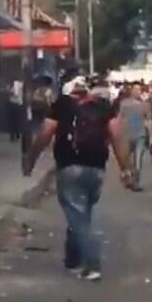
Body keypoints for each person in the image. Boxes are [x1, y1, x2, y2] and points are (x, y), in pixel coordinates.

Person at [24, 76, 133, 282]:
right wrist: (125, 169)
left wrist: (31, 158)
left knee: (78, 216)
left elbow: (45, 134)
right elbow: (117, 136)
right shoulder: (103, 107)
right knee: (82, 213)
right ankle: (72, 258)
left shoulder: (62, 105)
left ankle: (92, 264)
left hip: (70, 167)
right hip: (97, 169)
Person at [119, 83, 152, 192]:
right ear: (131, 91)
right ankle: (128, 179)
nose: (137, 91)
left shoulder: (144, 105)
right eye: (135, 89)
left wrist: (151, 138)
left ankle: (136, 182)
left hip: (140, 135)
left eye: (139, 90)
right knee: (125, 161)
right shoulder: (124, 104)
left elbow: (148, 122)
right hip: (126, 135)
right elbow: (119, 119)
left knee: (138, 161)